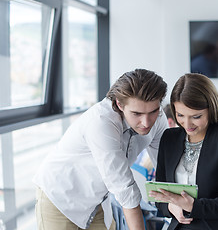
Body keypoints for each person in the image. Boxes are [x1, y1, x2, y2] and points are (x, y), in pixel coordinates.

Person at [33, 69, 168, 230]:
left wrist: (176, 206)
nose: (146, 122)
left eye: (153, 111)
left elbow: (165, 166)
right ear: (119, 104)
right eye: (137, 113)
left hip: (96, 203)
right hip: (59, 198)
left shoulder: (158, 118)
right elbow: (125, 189)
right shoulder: (101, 122)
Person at [149, 73, 218, 229]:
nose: (187, 123)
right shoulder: (169, 138)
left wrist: (193, 206)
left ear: (211, 108)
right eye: (180, 115)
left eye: (196, 116)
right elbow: (160, 196)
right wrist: (172, 207)